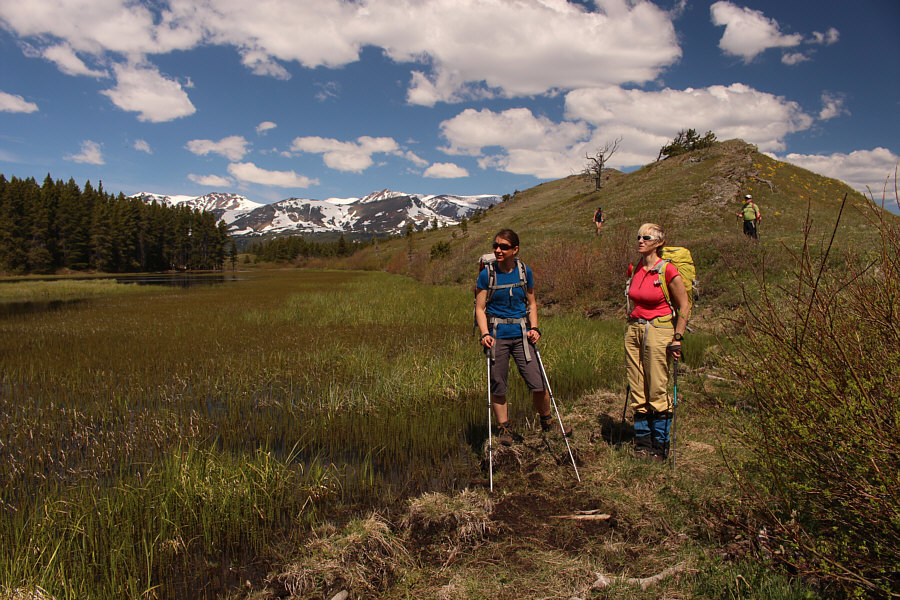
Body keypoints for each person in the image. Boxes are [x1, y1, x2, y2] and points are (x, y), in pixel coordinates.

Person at [475, 229, 570, 445]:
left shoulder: (524, 272)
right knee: (498, 384)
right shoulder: (486, 275)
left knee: (537, 382)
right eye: (495, 246)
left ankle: (547, 421)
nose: (498, 250)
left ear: (515, 250)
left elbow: (532, 303)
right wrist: (485, 334)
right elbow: (480, 308)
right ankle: (504, 429)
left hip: (522, 335)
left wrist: (534, 328)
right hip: (497, 336)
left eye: (504, 247)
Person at [624, 223, 690, 460]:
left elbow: (684, 305)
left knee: (657, 386)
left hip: (660, 329)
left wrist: (677, 337)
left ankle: (660, 446)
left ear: (659, 242)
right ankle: (642, 442)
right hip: (634, 329)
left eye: (646, 237)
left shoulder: (668, 270)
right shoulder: (635, 268)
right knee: (637, 383)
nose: (640, 240)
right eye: (638, 236)